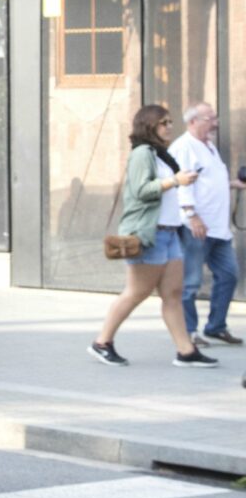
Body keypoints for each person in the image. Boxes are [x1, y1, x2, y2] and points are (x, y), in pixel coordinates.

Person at [89, 105, 214, 368]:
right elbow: (141, 190)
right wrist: (176, 181)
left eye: (169, 122)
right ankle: (102, 343)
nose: (169, 126)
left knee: (173, 293)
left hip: (169, 234)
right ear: (148, 126)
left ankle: (186, 351)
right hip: (149, 235)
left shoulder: (161, 154)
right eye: (163, 123)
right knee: (136, 292)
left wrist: (180, 181)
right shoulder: (142, 154)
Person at [170, 102, 245, 347]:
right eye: (210, 118)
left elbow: (208, 180)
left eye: (215, 117)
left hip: (219, 229)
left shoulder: (209, 146)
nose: (215, 122)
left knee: (229, 275)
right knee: (190, 282)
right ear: (193, 121)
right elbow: (181, 183)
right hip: (197, 227)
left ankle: (215, 326)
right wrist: (191, 215)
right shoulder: (183, 147)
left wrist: (233, 184)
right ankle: (189, 333)